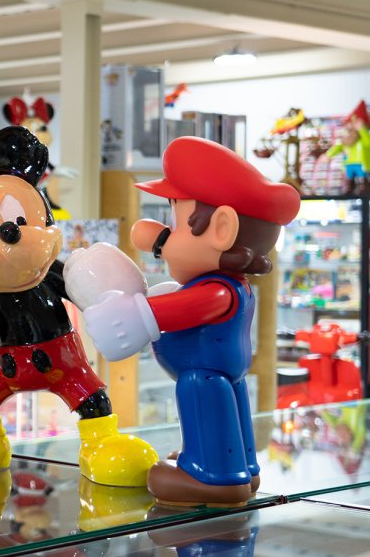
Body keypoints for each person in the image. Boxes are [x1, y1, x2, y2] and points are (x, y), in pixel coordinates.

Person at [79, 136, 300, 506]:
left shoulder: (216, 291)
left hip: (203, 374)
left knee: (202, 405)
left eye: (176, 221)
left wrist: (128, 316)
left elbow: (164, 313)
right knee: (230, 415)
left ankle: (212, 478)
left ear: (222, 229)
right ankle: (243, 468)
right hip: (227, 373)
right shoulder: (231, 285)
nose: (161, 234)